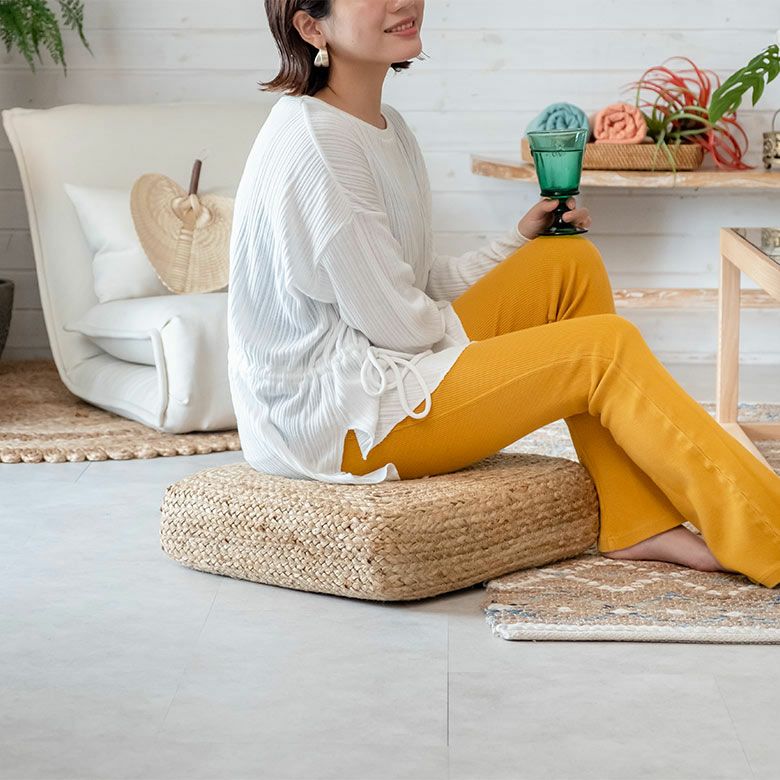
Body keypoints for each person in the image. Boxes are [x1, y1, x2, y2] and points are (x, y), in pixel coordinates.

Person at [227, 0, 780, 586]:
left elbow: (414, 284)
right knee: (601, 351)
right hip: (340, 420)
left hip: (382, 363)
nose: (402, 2)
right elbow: (404, 329)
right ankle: (767, 532)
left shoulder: (385, 127)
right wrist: (524, 355)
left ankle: (636, 519)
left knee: (567, 262)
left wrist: (518, 242)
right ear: (311, 27)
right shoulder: (320, 143)